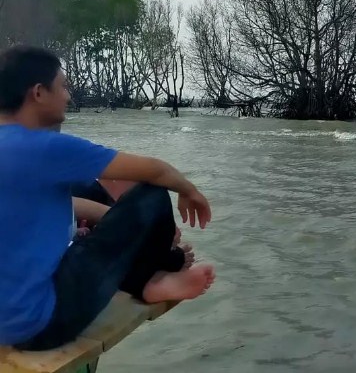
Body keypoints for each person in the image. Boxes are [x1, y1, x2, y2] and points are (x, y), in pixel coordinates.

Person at [0, 45, 215, 351]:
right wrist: (189, 190)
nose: (68, 96)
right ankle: (149, 280)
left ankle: (163, 264)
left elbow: (78, 196)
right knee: (151, 195)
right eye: (63, 87)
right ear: (38, 93)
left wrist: (112, 219)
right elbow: (154, 170)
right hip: (41, 325)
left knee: (84, 190)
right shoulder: (43, 147)